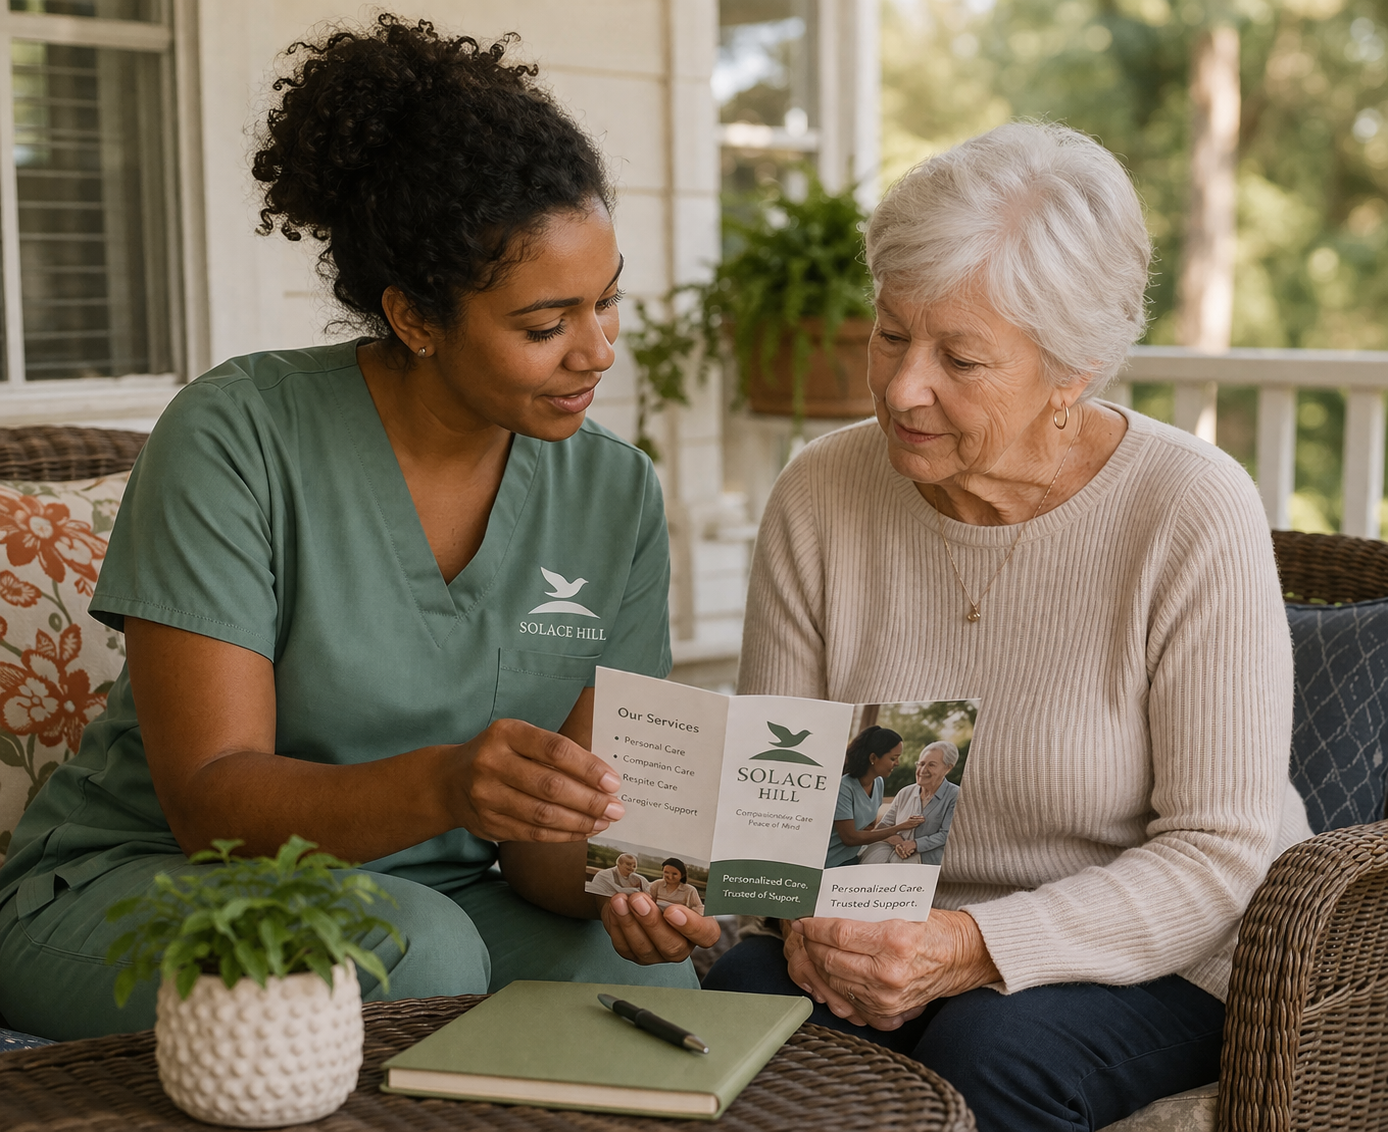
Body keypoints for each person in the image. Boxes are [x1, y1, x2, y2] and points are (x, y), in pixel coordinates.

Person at [0, 16, 717, 1042]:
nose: (596, 351)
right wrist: (447, 781)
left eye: (607, 303)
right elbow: (210, 801)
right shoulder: (236, 435)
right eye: (544, 323)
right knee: (412, 952)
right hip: (146, 886)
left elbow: (558, 848)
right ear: (417, 319)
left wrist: (635, 890)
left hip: (447, 898)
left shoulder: (616, 494)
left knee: (632, 986)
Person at [704, 122, 1312, 1132]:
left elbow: (1216, 852)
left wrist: (966, 945)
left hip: (1150, 947)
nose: (902, 386)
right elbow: (786, 810)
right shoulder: (817, 494)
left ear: (1069, 369)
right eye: (891, 334)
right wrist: (774, 913)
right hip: (880, 924)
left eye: (959, 357)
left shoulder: (1186, 507)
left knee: (988, 1050)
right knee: (738, 1006)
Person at [824, 726, 924, 867]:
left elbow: (869, 827)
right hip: (831, 863)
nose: (897, 763)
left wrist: (889, 837)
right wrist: (896, 828)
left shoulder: (878, 783)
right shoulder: (844, 787)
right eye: (893, 758)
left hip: (853, 857)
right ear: (873, 758)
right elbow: (850, 838)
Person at [859, 742, 960, 866]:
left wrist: (915, 844)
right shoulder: (905, 792)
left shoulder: (955, 795)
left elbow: (947, 834)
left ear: (948, 768)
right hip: (892, 848)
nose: (923, 770)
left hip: (925, 857)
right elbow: (883, 827)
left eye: (931, 765)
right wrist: (896, 840)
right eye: (921, 764)